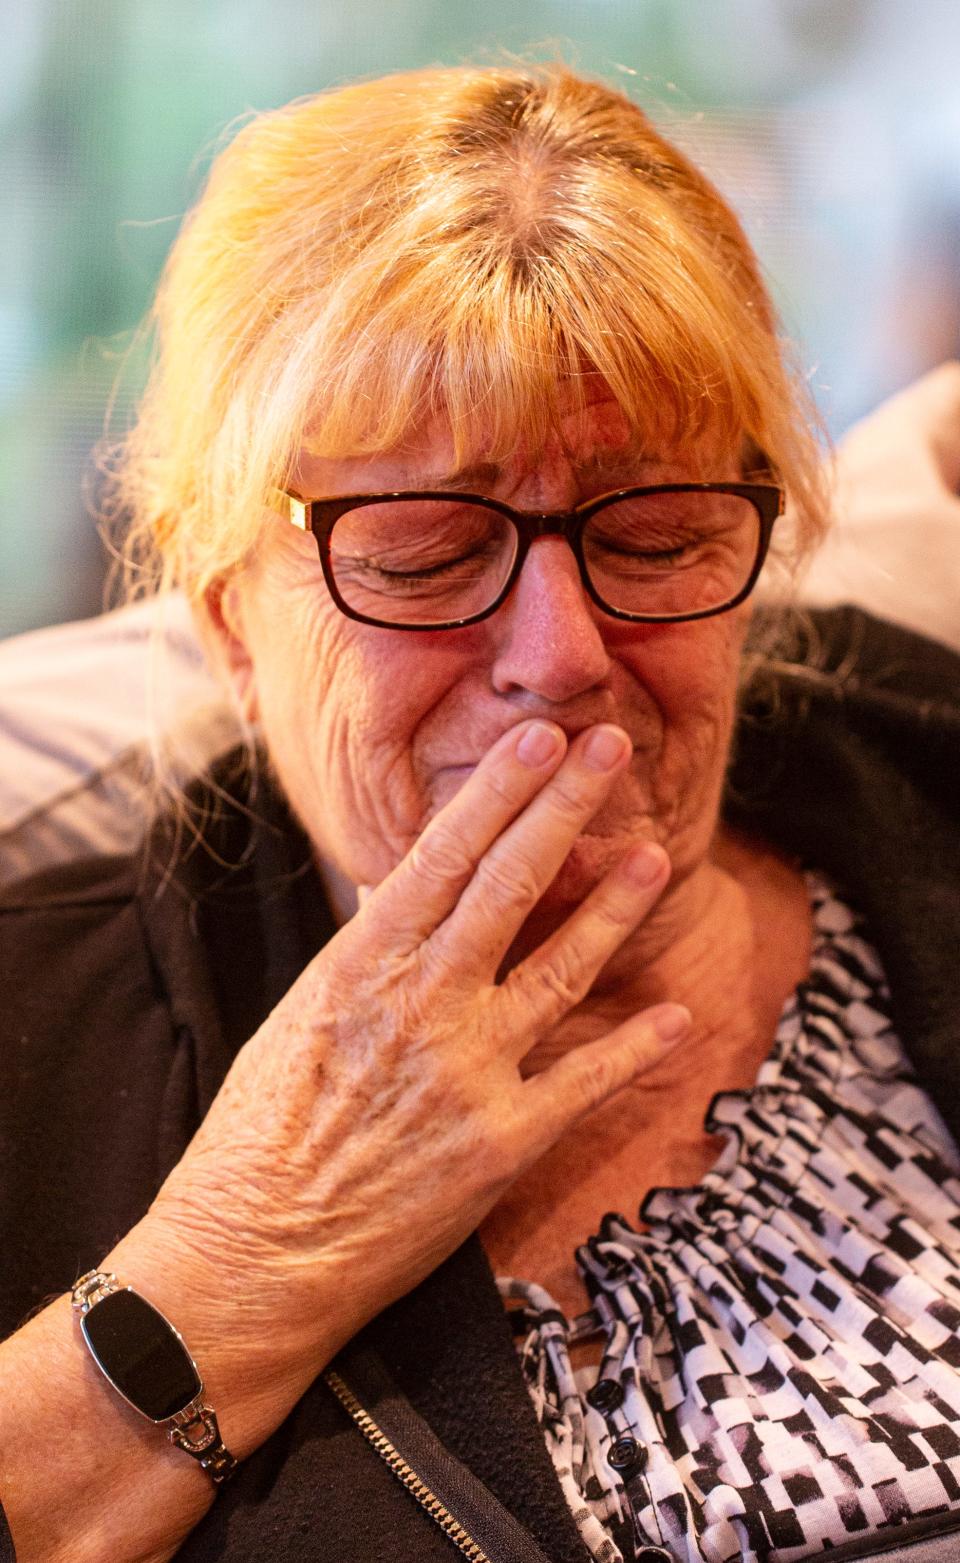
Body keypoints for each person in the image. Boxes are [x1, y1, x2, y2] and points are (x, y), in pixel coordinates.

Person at [1, 63, 959, 1563]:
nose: (564, 654)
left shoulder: (930, 794)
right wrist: (235, 1268)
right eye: (429, 552)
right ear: (236, 628)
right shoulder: (35, 1055)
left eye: (657, 535)